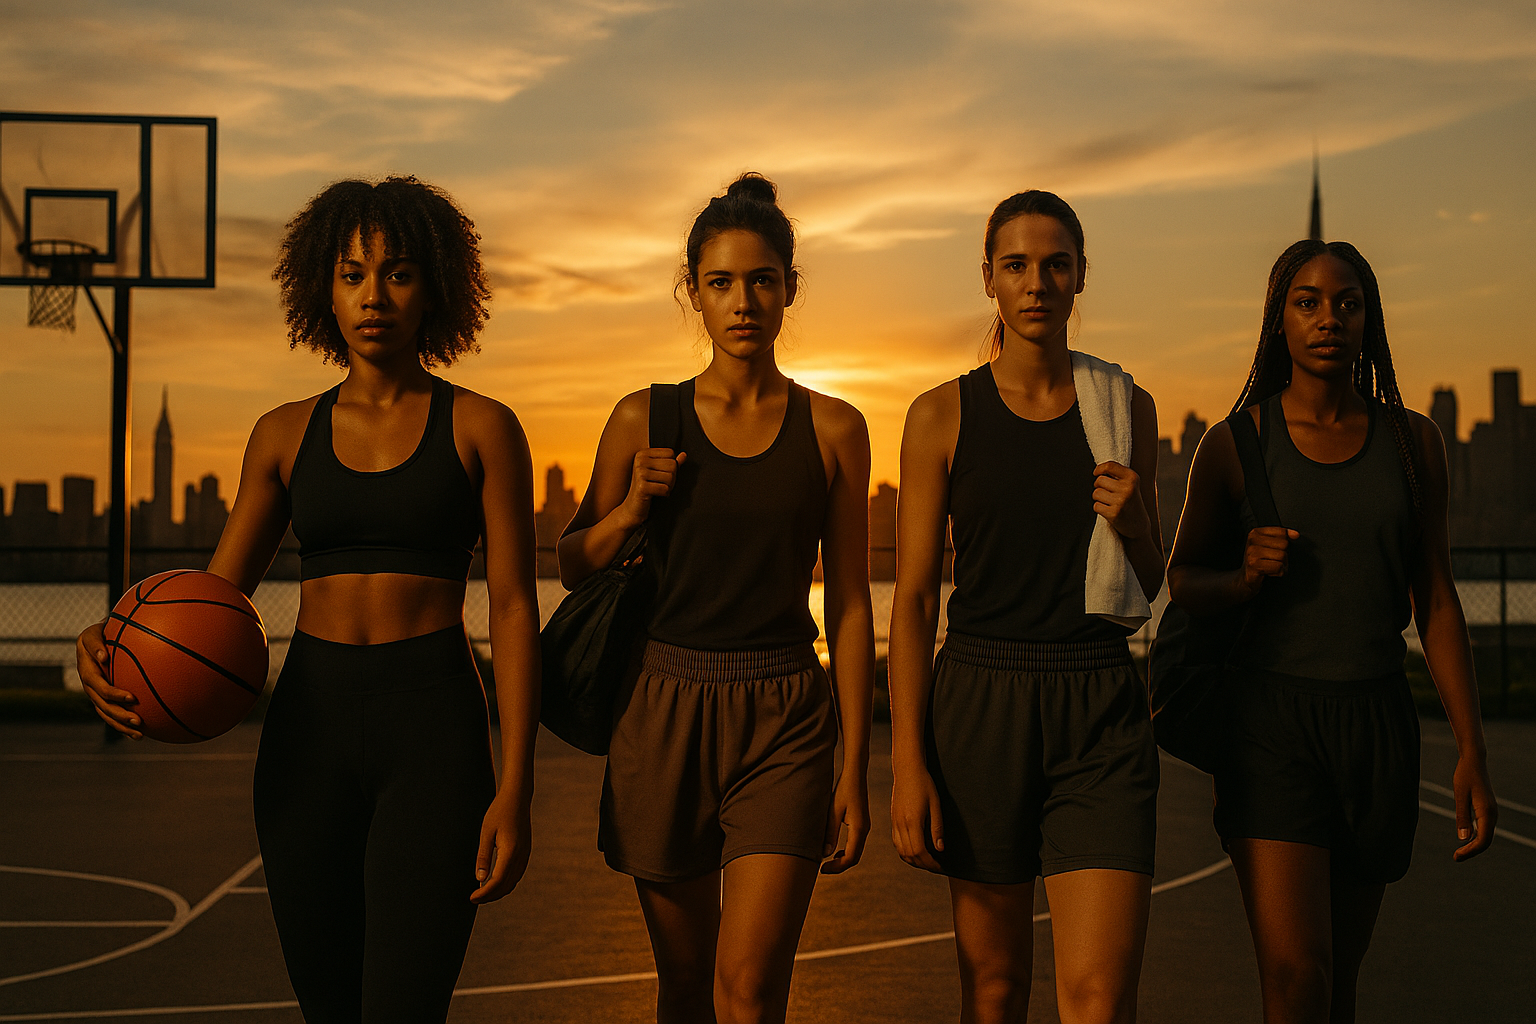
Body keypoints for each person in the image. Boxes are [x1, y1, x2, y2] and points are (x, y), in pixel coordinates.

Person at [76, 176, 542, 1024]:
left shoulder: (482, 427)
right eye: (352, 274)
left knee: (402, 1008)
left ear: (435, 285)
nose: (374, 296)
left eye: (398, 273)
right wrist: (107, 639)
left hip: (433, 729)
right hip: (309, 732)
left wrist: (517, 786)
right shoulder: (283, 433)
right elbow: (210, 600)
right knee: (330, 1010)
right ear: (320, 289)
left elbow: (513, 609)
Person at [557, 172, 873, 1024]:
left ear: (789, 290)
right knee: (688, 986)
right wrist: (628, 510)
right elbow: (572, 563)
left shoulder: (836, 429)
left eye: (762, 281)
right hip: (660, 710)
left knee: (751, 988)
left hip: (785, 714)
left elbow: (847, 606)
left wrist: (857, 762)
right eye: (722, 283)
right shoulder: (643, 418)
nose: (744, 303)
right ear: (692, 292)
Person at [1166, 239, 1497, 1024]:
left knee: (1339, 986)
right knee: (1297, 978)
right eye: (1307, 302)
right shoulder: (1235, 443)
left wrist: (1473, 751)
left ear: (1369, 320)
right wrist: (1244, 577)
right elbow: (1181, 580)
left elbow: (1438, 601)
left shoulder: (1415, 445)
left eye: (1347, 303)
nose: (1328, 319)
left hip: (1376, 724)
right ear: (1279, 321)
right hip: (1269, 729)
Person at [888, 190, 1163, 1024]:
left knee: (1097, 999)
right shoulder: (940, 414)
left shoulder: (1126, 407)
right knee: (996, 991)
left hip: (1100, 710)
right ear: (989, 280)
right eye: (1016, 265)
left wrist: (1138, 519)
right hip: (981, 704)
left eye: (1055, 264)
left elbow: (1152, 585)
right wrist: (906, 766)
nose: (1036, 282)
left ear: (1081, 278)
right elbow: (909, 602)